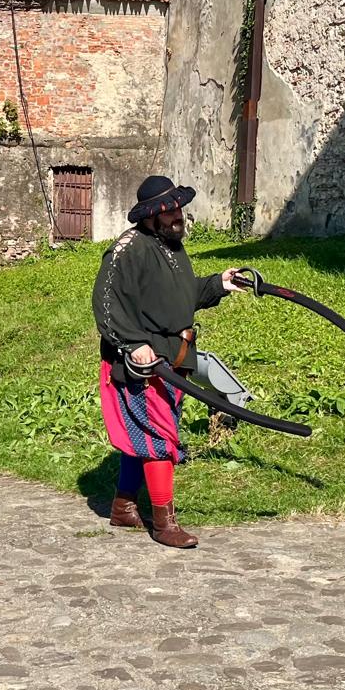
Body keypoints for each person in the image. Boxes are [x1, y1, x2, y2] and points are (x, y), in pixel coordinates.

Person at [92, 175, 244, 549]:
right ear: (150, 216)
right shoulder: (126, 250)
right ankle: (164, 523)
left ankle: (124, 507)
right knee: (159, 435)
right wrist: (133, 343)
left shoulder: (170, 245)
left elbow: (180, 295)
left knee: (145, 434)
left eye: (179, 208)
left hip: (172, 360)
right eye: (170, 210)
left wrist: (217, 284)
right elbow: (106, 304)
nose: (179, 215)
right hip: (143, 364)